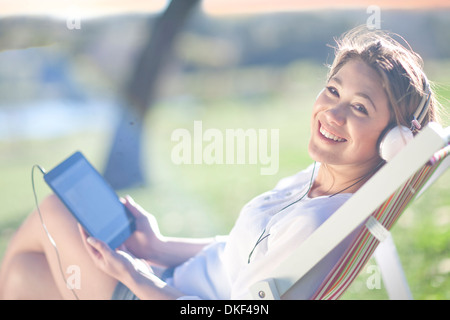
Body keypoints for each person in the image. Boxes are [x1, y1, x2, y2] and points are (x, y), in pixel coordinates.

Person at [0, 26, 441, 300]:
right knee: (23, 278)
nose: (333, 112)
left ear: (392, 143)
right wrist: (156, 245)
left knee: (56, 210)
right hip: (166, 276)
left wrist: (133, 275)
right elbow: (240, 257)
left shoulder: (316, 224)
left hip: (153, 293)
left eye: (360, 108)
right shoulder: (318, 184)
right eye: (332, 91)